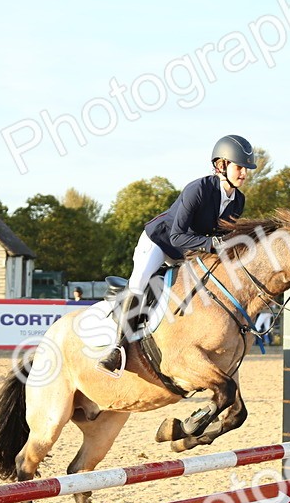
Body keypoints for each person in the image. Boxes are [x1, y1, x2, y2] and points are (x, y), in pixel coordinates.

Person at [96, 134, 256, 373]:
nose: (244, 173)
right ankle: (116, 349)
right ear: (221, 165)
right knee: (140, 282)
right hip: (160, 242)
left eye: (246, 169)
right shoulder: (198, 190)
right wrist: (213, 243)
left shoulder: (238, 200)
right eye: (239, 167)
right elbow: (177, 236)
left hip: (190, 250)